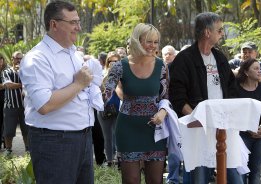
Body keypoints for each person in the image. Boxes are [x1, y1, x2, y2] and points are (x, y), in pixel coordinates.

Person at [19, 1, 96, 183]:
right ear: (54, 24)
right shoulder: (37, 58)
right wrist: (79, 84)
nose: (78, 27)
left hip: (83, 137)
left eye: (78, 22)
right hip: (54, 142)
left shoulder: (74, 54)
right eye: (72, 22)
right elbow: (44, 105)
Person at [169, 12, 242, 184]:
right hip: (196, 127)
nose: (222, 33)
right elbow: (177, 95)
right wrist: (195, 117)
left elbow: (232, 89)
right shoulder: (184, 59)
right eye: (219, 30)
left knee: (231, 173)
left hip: (222, 126)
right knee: (198, 176)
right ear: (207, 32)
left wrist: (229, 114)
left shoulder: (220, 58)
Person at [103, 23, 168, 183]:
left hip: (154, 131)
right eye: (148, 41)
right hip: (128, 130)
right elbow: (105, 94)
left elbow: (165, 97)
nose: (153, 46)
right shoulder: (119, 66)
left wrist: (163, 112)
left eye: (156, 42)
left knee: (155, 180)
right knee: (131, 181)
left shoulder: (161, 66)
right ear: (137, 41)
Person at [236, 58, 261, 184]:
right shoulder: (236, 89)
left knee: (256, 172)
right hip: (241, 135)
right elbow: (234, 113)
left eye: (259, 68)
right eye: (255, 69)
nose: (259, 71)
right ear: (246, 72)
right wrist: (248, 128)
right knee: (241, 171)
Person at [2, 51, 28, 157]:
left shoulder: (26, 71)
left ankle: (28, 150)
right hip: (10, 106)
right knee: (8, 131)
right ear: (12, 59)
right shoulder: (6, 71)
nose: (18, 60)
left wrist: (22, 73)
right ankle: (8, 150)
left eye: (21, 58)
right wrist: (23, 85)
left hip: (24, 106)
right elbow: (8, 85)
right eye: (16, 58)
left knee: (26, 130)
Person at [97, 51, 121, 166]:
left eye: (116, 61)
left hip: (118, 107)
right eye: (111, 61)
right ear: (107, 62)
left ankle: (118, 159)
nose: (114, 63)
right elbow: (100, 89)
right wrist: (108, 75)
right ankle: (110, 160)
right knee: (107, 136)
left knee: (118, 134)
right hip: (104, 107)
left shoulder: (123, 73)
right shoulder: (102, 73)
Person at [0, 54, 6, 149]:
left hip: (6, 100)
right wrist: (6, 85)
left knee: (5, 123)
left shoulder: (5, 71)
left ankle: (5, 143)